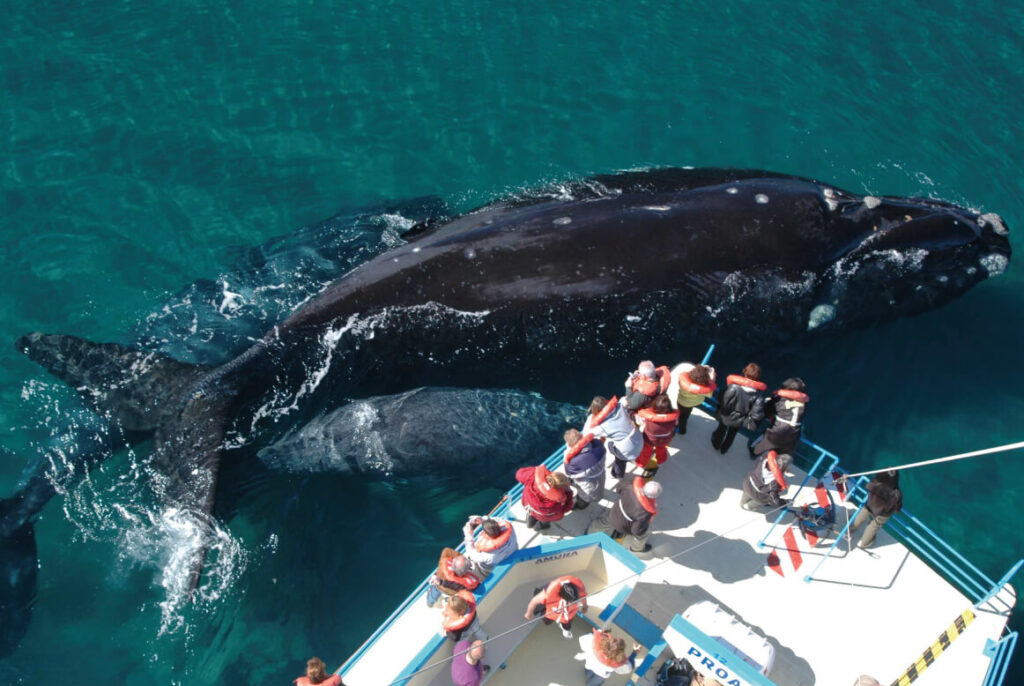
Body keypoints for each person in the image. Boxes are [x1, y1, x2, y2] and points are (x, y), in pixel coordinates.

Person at [710, 363, 767, 454]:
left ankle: (716, 444)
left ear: (745, 373)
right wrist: (745, 419)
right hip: (740, 420)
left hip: (726, 414)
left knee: (721, 429)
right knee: (732, 434)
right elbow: (757, 415)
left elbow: (722, 399)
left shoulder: (733, 387)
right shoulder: (758, 397)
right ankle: (724, 449)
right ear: (758, 378)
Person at [584, 395, 644, 478]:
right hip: (639, 440)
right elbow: (624, 400)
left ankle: (617, 474)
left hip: (627, 451)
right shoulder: (620, 405)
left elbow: (586, 433)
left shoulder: (601, 427)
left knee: (611, 446)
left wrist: (590, 417)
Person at [750, 378, 809, 459]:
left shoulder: (780, 400)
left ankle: (753, 453)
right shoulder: (804, 404)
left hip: (778, 431)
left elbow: (767, 410)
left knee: (760, 445)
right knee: (780, 452)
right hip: (794, 434)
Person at [849, 470, 902, 549]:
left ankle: (850, 529)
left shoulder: (875, 483)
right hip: (882, 513)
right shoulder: (896, 493)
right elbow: (897, 507)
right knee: (873, 526)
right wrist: (897, 509)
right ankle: (865, 543)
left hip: (870, 505)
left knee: (861, 517)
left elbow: (867, 486)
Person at [524, 574, 588, 639]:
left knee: (567, 624)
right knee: (546, 620)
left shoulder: (579, 591)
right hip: (551, 603)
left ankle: (564, 628)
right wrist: (528, 614)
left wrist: (585, 607)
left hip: (568, 611)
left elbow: (583, 598)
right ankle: (547, 613)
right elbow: (533, 602)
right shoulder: (547, 594)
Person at [607, 477, 661, 553]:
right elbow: (637, 531)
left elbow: (618, 488)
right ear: (653, 497)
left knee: (603, 521)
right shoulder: (645, 513)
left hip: (613, 513)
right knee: (645, 534)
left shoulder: (629, 487)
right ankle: (637, 548)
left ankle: (592, 530)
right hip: (623, 525)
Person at [515, 463, 574, 530]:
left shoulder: (532, 477)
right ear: (560, 487)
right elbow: (566, 508)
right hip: (543, 516)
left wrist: (535, 470)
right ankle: (538, 527)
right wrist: (569, 492)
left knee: (531, 513)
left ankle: (529, 524)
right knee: (544, 520)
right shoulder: (558, 500)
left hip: (528, 505)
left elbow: (519, 474)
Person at [635, 394, 679, 480]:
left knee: (646, 452)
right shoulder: (674, 418)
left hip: (649, 440)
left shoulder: (647, 418)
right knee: (662, 450)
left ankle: (641, 464)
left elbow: (638, 421)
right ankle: (660, 462)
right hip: (665, 439)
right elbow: (676, 424)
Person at [563, 428, 606, 509]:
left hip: (588, 486)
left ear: (570, 445)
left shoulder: (573, 463)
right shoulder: (599, 445)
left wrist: (567, 452)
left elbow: (568, 472)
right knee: (591, 493)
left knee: (584, 499)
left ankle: (580, 506)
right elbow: (598, 442)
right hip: (599, 476)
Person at [675, 364, 716, 434]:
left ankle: (679, 426)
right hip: (692, 403)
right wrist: (712, 380)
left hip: (681, 401)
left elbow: (681, 382)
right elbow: (709, 395)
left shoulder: (684, 382)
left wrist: (701, 369)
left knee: (681, 414)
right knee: (686, 415)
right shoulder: (704, 388)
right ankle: (682, 429)